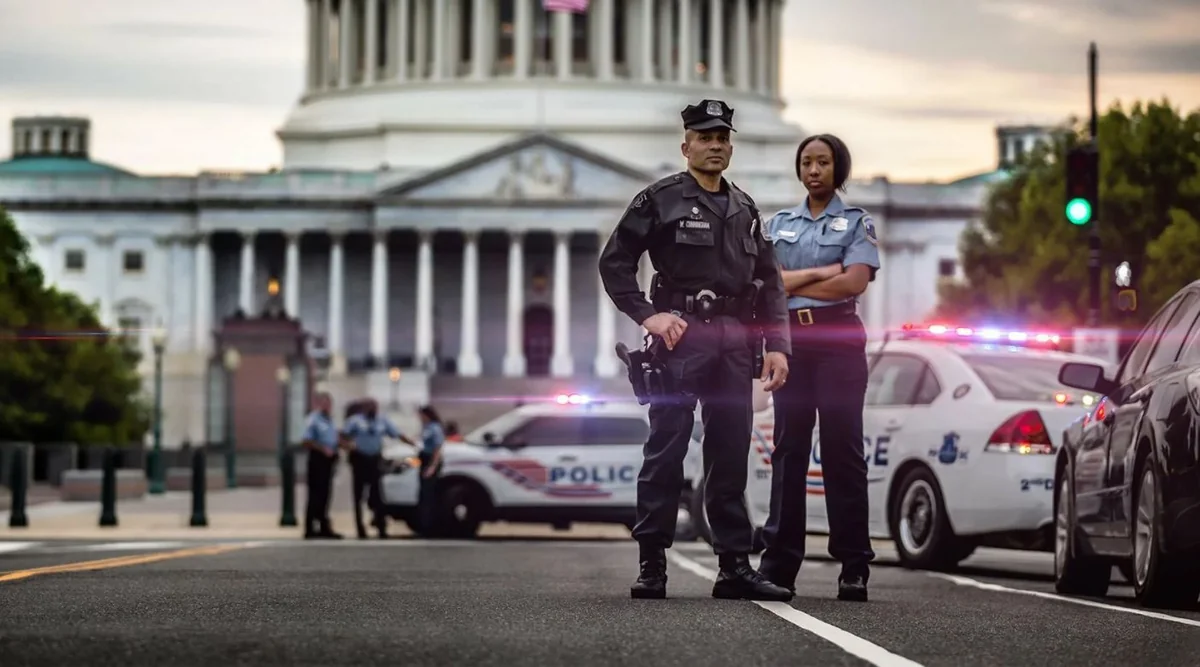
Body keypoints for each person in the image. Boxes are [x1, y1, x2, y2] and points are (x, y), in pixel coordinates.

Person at [598, 98, 793, 602]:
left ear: (730, 147)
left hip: (735, 343)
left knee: (729, 456)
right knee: (666, 452)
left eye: (722, 138)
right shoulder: (659, 200)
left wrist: (777, 346)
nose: (715, 146)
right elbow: (615, 263)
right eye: (705, 138)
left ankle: (733, 567)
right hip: (678, 340)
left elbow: (769, 283)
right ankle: (652, 564)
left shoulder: (746, 208)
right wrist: (648, 314)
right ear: (686, 146)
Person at [757, 133, 880, 602]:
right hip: (791, 341)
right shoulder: (781, 223)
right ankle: (780, 565)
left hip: (838, 340)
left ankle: (853, 566)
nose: (813, 170)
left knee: (842, 449)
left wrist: (799, 283)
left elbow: (854, 282)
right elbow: (770, 286)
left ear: (838, 169)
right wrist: (822, 272)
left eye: (823, 162)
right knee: (788, 449)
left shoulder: (855, 222)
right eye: (806, 162)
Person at [343, 398, 404, 539]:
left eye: (375, 407)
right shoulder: (355, 421)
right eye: (370, 406)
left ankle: (381, 527)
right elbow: (343, 436)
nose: (373, 409)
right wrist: (348, 445)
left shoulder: (382, 421)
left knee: (377, 496)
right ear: (364, 407)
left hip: (375, 460)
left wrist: (412, 442)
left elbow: (396, 433)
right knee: (358, 496)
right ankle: (360, 529)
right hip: (360, 459)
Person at [301, 392, 347, 539]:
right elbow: (306, 440)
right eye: (324, 403)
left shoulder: (330, 421)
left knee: (325, 495)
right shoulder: (313, 420)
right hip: (317, 459)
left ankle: (323, 526)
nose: (327, 406)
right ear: (319, 404)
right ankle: (310, 528)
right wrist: (322, 449)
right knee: (315, 495)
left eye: (329, 403)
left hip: (329, 461)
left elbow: (334, 439)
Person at [412, 405, 445, 535]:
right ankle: (423, 523)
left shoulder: (435, 428)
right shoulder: (426, 428)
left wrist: (432, 467)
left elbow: (437, 449)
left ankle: (429, 526)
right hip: (423, 459)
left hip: (430, 460)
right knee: (423, 494)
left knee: (428, 494)